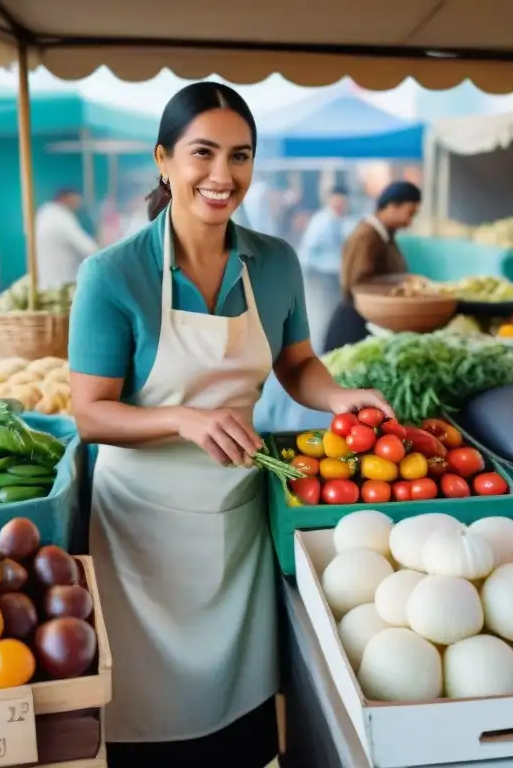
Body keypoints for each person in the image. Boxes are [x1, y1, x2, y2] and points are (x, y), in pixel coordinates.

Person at [68, 81, 391, 768]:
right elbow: (91, 413)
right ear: (164, 160)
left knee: (239, 715)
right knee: (148, 716)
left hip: (236, 514)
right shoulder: (112, 276)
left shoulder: (274, 261)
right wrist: (181, 418)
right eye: (203, 154)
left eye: (240, 156)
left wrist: (336, 396)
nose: (223, 176)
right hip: (140, 534)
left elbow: (298, 362)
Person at [323, 180, 422, 351]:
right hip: (353, 327)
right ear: (392, 206)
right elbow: (357, 283)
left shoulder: (384, 236)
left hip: (366, 322)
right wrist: (403, 281)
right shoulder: (367, 236)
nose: (409, 222)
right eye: (410, 213)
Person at [297, 184, 351, 351]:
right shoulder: (322, 221)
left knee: (332, 314)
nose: (340, 204)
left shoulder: (339, 220)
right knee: (323, 315)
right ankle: (318, 352)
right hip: (320, 276)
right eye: (336, 200)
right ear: (330, 200)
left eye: (342, 201)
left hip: (333, 276)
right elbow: (308, 250)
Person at [36, 187, 98, 289]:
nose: (78, 205)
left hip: (46, 283)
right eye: (76, 201)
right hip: (62, 286)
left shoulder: (43, 217)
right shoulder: (61, 219)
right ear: (64, 199)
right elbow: (90, 249)